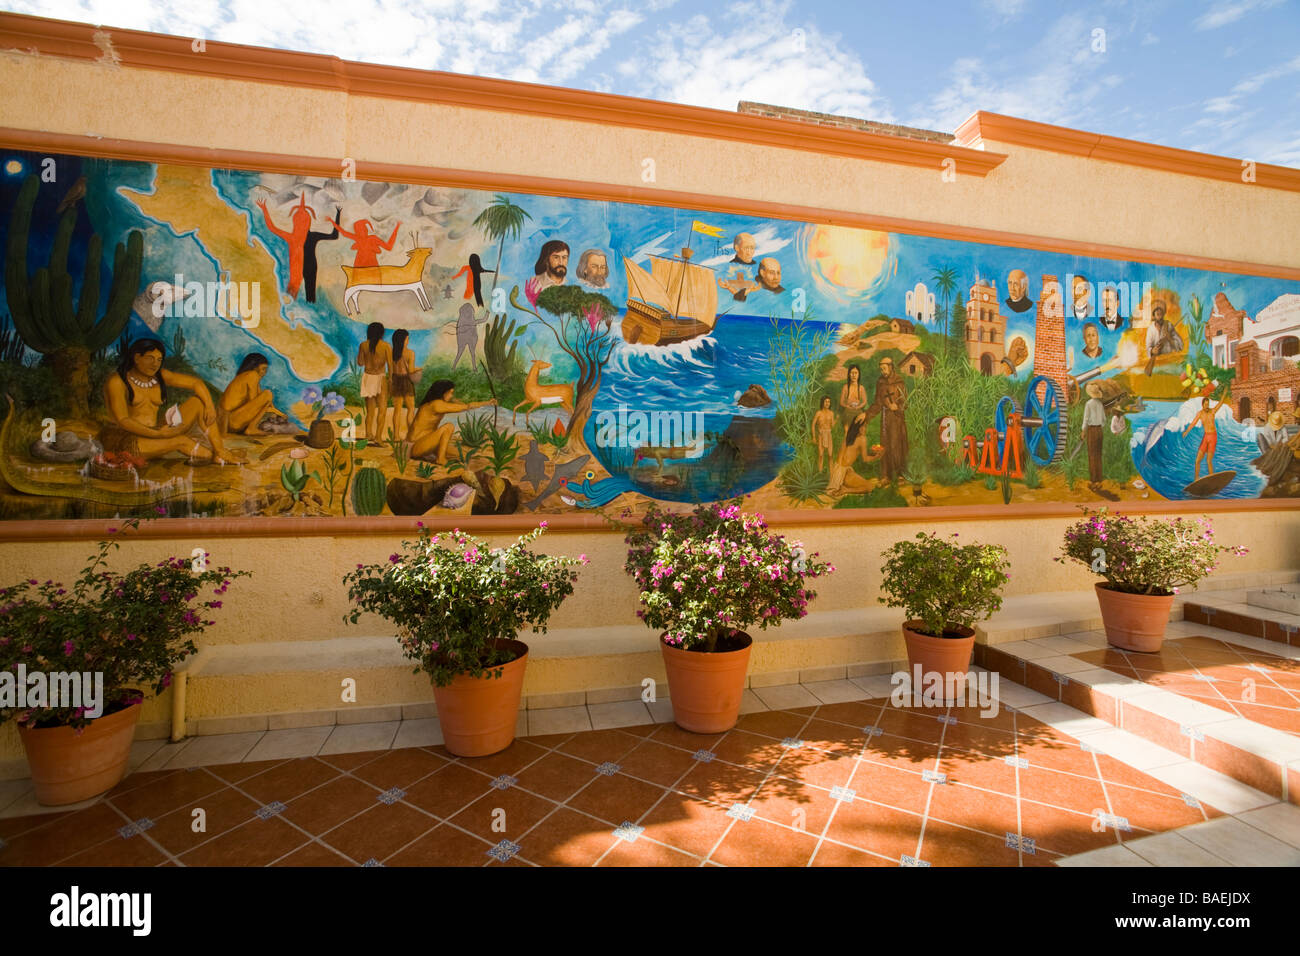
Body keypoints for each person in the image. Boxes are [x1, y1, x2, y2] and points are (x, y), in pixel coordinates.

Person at [101, 338, 243, 464]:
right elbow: (123, 420)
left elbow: (196, 383)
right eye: (150, 358)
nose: (155, 364)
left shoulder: (160, 376)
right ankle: (216, 456)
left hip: (156, 431)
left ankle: (220, 451)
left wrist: (210, 406)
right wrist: (160, 434)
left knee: (198, 403)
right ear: (137, 358)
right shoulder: (118, 381)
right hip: (128, 440)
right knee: (181, 441)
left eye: (159, 360)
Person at [409, 380, 493, 464]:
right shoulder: (436, 404)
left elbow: (462, 404)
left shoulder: (434, 402)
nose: (452, 395)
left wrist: (486, 403)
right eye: (451, 392)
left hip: (424, 443)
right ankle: (440, 459)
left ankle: (438, 456)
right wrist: (487, 403)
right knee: (449, 426)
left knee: (457, 453)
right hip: (416, 446)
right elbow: (466, 406)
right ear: (443, 392)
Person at [863, 356, 908, 484]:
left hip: (897, 419)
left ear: (891, 367)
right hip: (885, 418)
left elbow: (906, 402)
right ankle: (886, 475)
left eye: (884, 368)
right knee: (885, 445)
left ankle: (900, 475)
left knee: (896, 445)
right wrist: (866, 415)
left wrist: (897, 406)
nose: (882, 371)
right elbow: (877, 403)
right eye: (881, 369)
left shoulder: (899, 381)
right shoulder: (880, 382)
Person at [219, 353, 289, 435]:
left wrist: (279, 413)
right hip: (232, 421)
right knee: (268, 393)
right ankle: (251, 428)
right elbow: (255, 403)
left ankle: (251, 428)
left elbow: (265, 403)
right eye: (263, 369)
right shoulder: (252, 375)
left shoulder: (246, 377)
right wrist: (278, 413)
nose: (265, 372)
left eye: (266, 369)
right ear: (255, 367)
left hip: (229, 421)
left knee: (266, 395)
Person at [827, 411, 883, 495]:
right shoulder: (862, 439)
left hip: (839, 472)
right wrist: (877, 456)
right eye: (863, 427)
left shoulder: (849, 436)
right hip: (843, 474)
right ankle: (845, 490)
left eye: (865, 426)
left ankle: (844, 487)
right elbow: (865, 459)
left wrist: (836, 478)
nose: (865, 429)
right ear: (857, 427)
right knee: (869, 487)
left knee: (864, 483)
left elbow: (840, 458)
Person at [1182, 387, 1230, 481]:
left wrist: (1224, 394)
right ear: (1202, 405)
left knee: (1208, 460)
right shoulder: (1200, 414)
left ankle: (1212, 478)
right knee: (1197, 461)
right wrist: (1186, 431)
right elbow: (1193, 423)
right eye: (1205, 404)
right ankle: (1196, 478)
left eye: (1208, 404)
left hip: (1213, 437)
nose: (1207, 406)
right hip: (1206, 437)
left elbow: (1220, 403)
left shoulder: (1213, 411)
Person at [356, 322, 392, 441]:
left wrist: (367, 358)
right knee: (382, 410)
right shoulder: (386, 346)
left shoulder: (363, 345)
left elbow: (360, 363)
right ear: (381, 333)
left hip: (368, 377)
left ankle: (368, 435)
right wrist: (390, 379)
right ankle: (378, 438)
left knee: (370, 411)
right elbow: (390, 366)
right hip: (380, 378)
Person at [328, 215, 400, 269]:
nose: (361, 231)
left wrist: (397, 227)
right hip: (360, 267)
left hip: (371, 267)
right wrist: (331, 221)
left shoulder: (372, 238)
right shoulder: (359, 238)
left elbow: (389, 247)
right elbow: (343, 232)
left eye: (362, 229)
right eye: (358, 230)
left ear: (365, 230)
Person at [389, 330, 422, 442]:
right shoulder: (410, 353)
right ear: (403, 340)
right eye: (407, 339)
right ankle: (410, 436)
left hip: (395, 380)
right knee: (411, 409)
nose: (408, 341)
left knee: (397, 410)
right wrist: (419, 368)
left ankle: (396, 436)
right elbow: (411, 370)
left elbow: (391, 370)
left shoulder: (391, 352)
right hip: (406, 381)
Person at [1144, 298, 1184, 375]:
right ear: (1154, 316)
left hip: (1170, 362)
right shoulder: (1150, 329)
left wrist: (1169, 338)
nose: (1160, 316)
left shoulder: (1168, 325)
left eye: (1161, 314)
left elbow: (1180, 346)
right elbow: (1147, 348)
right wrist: (1153, 351)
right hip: (1157, 364)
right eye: (1158, 314)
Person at [1083, 381, 1106, 493]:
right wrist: (1099, 427)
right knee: (1098, 455)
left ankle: (1093, 482)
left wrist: (1083, 431)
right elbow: (1104, 421)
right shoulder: (1100, 404)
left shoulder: (1088, 404)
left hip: (1092, 430)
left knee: (1092, 456)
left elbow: (1086, 420)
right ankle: (1099, 481)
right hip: (1099, 430)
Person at [811, 396, 835, 472]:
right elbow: (813, 424)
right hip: (821, 435)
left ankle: (831, 473)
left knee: (830, 455)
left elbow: (832, 425)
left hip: (828, 434)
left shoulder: (831, 413)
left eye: (829, 402)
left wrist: (836, 420)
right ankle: (820, 472)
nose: (827, 403)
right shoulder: (819, 413)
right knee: (821, 455)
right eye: (826, 401)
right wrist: (814, 437)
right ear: (822, 402)